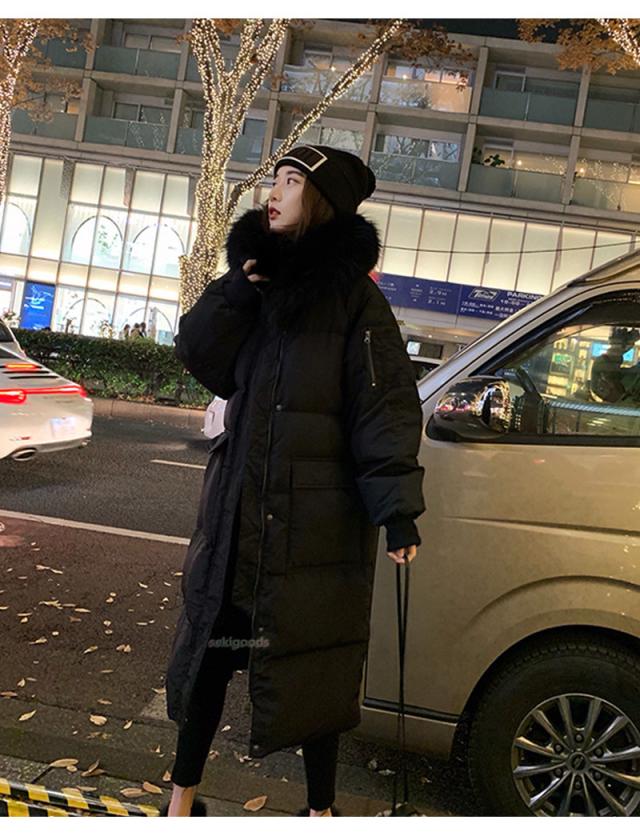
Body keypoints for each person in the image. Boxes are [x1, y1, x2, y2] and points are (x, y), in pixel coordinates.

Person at [164, 145, 425, 817]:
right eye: (274, 180)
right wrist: (234, 291)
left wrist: (396, 508)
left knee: (313, 666)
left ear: (322, 201)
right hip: (238, 516)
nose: (273, 193)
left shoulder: (356, 303)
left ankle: (319, 811)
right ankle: (180, 801)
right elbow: (199, 354)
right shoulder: (255, 282)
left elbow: (384, 408)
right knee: (213, 654)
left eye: (290, 182)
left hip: (315, 528)